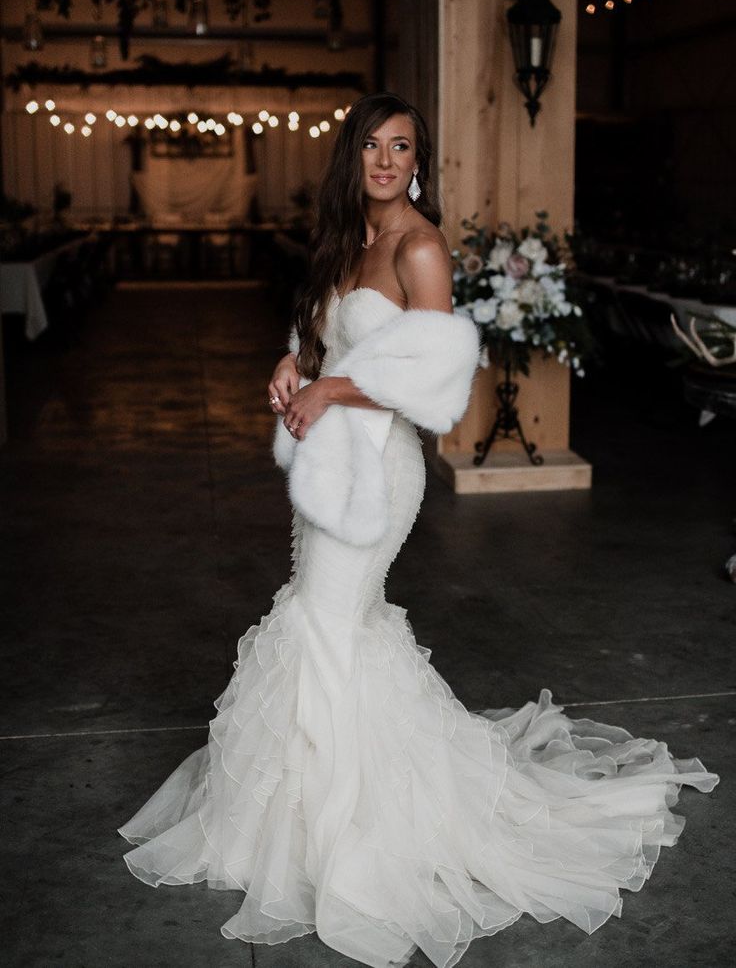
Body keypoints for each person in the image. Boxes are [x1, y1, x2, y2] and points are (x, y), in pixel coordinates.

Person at [119, 93, 719, 968]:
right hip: (327, 465)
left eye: (403, 147)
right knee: (330, 622)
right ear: (351, 156)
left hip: (378, 471)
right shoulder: (346, 241)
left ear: (419, 162)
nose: (388, 161)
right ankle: (314, 810)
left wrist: (333, 391)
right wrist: (296, 362)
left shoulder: (420, 246)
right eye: (373, 145)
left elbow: (435, 384)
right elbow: (323, 333)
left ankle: (345, 832)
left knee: (323, 620)